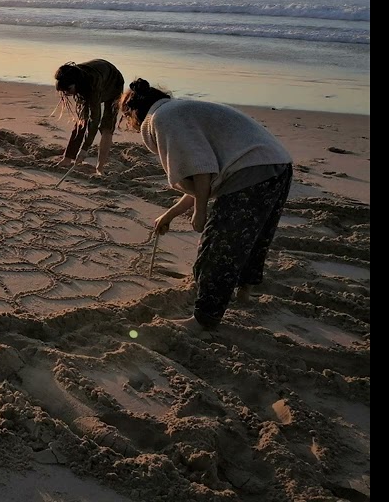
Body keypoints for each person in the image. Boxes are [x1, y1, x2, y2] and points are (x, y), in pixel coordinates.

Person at [118, 78, 293, 334]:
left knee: (219, 247)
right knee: (253, 237)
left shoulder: (162, 119)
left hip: (251, 170)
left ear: (134, 114)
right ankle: (244, 293)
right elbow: (206, 181)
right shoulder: (179, 110)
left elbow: (202, 170)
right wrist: (170, 214)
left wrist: (199, 212)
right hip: (278, 165)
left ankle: (204, 319)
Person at [53, 59, 125, 174]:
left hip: (113, 82)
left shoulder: (93, 84)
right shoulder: (70, 77)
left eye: (68, 90)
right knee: (82, 121)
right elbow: (84, 121)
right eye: (64, 91)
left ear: (76, 83)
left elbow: (95, 120)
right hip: (93, 79)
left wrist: (85, 149)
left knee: (107, 126)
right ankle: (67, 159)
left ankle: (100, 167)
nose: (67, 93)